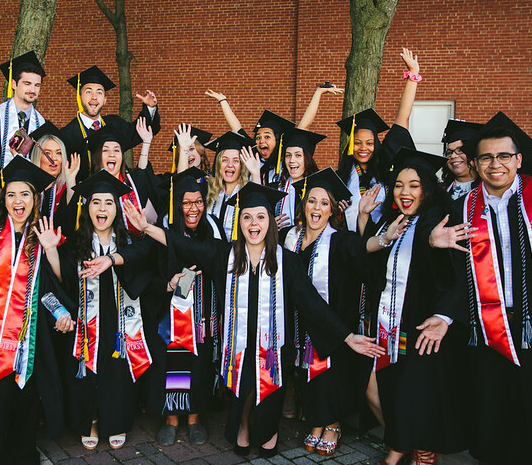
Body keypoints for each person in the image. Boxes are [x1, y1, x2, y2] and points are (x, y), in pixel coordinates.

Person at [116, 182, 383, 458]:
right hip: (239, 347)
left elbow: (311, 303)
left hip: (273, 351)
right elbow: (184, 245)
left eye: (260, 217)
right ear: (239, 222)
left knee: (270, 392)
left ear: (270, 222)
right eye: (247, 217)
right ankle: (243, 425)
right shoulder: (225, 255)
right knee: (242, 390)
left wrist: (347, 336)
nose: (253, 224)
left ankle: (269, 430)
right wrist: (146, 228)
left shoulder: (287, 261)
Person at [451, 106, 532, 465]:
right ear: (476, 164)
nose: (497, 164)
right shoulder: (463, 209)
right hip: (489, 322)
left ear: (519, 159)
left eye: (505, 156)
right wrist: (435, 238)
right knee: (497, 406)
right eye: (487, 157)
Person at [360, 148, 473, 465]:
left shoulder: (437, 219)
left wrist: (433, 244)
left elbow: (450, 273)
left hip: (420, 325)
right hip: (386, 322)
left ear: (426, 187)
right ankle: (402, 442)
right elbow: (368, 263)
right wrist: (364, 218)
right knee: (378, 384)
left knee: (414, 393)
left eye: (413, 184)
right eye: (398, 184)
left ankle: (418, 452)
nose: (404, 192)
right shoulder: (394, 222)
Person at [0, 156, 70, 464]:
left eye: (25, 194)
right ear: (3, 199)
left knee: (26, 398)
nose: (17, 201)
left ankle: (23, 452)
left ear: (35, 199)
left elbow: (53, 285)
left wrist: (51, 250)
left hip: (28, 336)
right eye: (11, 194)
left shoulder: (42, 236)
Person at [44, 170, 156, 451]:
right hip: (87, 325)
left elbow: (147, 263)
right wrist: (51, 252)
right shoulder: (76, 245)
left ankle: (115, 421)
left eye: (108, 202)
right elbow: (63, 283)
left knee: (117, 368)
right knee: (87, 370)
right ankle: (90, 419)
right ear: (88, 207)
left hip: (119, 323)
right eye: (96, 202)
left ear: (116, 208)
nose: (102, 208)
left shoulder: (129, 244)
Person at [281, 168, 378, 456]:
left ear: (332, 209)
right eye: (312, 201)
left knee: (325, 376)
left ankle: (332, 423)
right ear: (303, 204)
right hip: (297, 321)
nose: (317, 208)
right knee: (303, 373)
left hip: (329, 321)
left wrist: (375, 231)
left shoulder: (339, 240)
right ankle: (316, 421)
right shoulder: (289, 237)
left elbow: (364, 249)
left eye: (324, 203)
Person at [143, 168, 225, 446]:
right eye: (187, 202)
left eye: (198, 201)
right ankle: (171, 418)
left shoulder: (212, 229)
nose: (193, 208)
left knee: (200, 364)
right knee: (170, 364)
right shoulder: (164, 233)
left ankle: (194, 417)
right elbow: (150, 275)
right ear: (178, 205)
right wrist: (169, 284)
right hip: (170, 319)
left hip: (202, 316)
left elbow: (216, 261)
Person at [336, 48, 421, 233]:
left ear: (376, 143)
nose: (363, 148)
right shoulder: (342, 174)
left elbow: (402, 118)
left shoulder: (386, 165)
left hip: (383, 240)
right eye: (357, 142)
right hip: (349, 244)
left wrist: (413, 75)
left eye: (369, 142)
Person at [205, 83, 343, 185]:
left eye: (267, 137)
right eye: (258, 137)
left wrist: (318, 93)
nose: (261, 141)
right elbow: (237, 128)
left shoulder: (286, 159)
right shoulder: (253, 158)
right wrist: (223, 101)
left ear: (278, 141)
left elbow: (303, 127)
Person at [59, 65, 161, 176]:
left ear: (105, 100)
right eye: (88, 92)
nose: (94, 97)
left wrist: (150, 108)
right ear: (79, 97)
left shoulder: (114, 124)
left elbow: (143, 130)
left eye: (99, 92)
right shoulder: (67, 135)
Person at [0, 51, 47, 173]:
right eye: (27, 84)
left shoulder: (42, 124)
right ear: (14, 84)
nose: (33, 89)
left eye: (37, 85)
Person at [204, 131, 261, 239]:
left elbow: (258, 208)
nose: (230, 165)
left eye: (236, 161)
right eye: (225, 160)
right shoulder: (208, 191)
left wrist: (255, 173)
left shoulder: (247, 192)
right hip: (210, 252)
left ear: (242, 166)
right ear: (218, 163)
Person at [273, 128, 325, 229]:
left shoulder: (320, 190)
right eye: (288, 155)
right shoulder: (276, 190)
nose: (292, 160)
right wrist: (270, 226)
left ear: (307, 158)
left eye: (298, 155)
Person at [441, 119, 481, 199]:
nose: (453, 156)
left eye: (460, 150)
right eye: (449, 152)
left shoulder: (489, 189)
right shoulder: (439, 191)